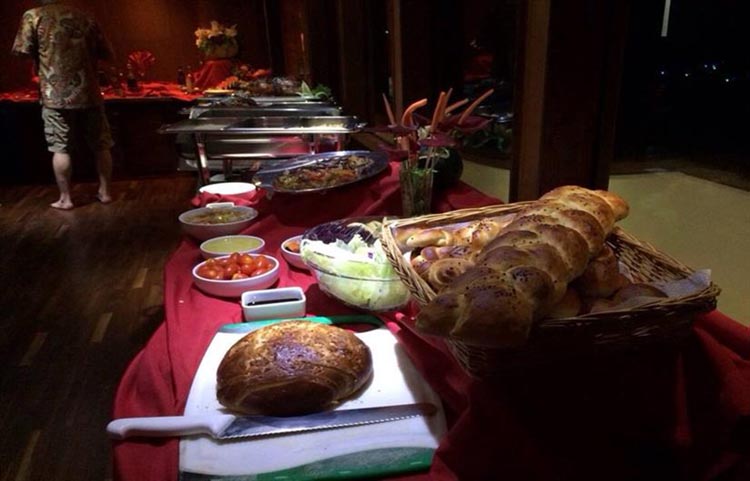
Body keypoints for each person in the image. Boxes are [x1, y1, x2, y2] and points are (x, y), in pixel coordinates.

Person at [12, 0, 115, 209]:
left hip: (55, 94)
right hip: (89, 92)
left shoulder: (33, 16)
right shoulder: (85, 16)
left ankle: (65, 198)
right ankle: (105, 192)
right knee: (101, 144)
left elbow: (21, 51)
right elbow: (107, 53)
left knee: (60, 147)